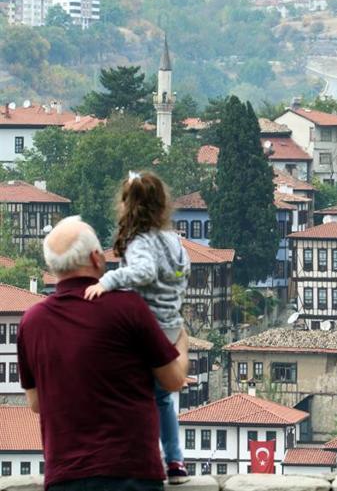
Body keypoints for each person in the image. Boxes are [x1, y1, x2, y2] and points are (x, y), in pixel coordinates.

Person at [17, 216, 189, 491]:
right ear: (97, 258)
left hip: (65, 476)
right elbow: (173, 380)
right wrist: (180, 337)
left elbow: (36, 403)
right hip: (131, 474)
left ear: (52, 267)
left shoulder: (32, 321)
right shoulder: (128, 307)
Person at [84, 171, 191, 484]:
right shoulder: (173, 240)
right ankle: (175, 462)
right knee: (162, 399)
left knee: (133, 394)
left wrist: (108, 281)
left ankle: (140, 459)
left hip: (146, 329)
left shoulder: (140, 241)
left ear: (127, 206)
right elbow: (182, 270)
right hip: (170, 326)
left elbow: (143, 272)